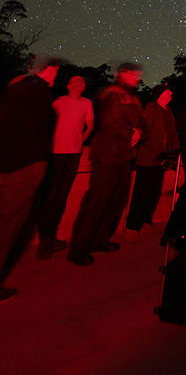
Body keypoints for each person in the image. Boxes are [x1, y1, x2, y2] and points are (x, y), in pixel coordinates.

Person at [67, 63, 146, 266]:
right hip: (108, 154)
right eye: (134, 74)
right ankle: (79, 248)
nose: (137, 77)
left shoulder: (133, 96)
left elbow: (141, 120)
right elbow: (111, 121)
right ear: (123, 74)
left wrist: (139, 133)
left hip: (124, 155)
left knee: (116, 201)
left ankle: (99, 239)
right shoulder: (112, 93)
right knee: (96, 202)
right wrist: (132, 134)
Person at [0, 55, 59, 304]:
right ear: (47, 71)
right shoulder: (40, 92)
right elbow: (38, 127)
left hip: (7, 163)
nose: (56, 76)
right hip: (25, 166)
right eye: (55, 71)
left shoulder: (15, 88)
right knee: (8, 224)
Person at [36, 75, 95, 260]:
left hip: (73, 155)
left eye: (83, 81)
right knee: (50, 196)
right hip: (55, 154)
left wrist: (80, 141)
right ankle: (45, 239)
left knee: (62, 197)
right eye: (77, 80)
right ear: (70, 86)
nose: (81, 82)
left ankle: (51, 237)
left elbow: (90, 125)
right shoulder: (59, 103)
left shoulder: (87, 103)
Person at [124, 84, 178, 242]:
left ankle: (144, 219)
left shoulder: (169, 110)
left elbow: (172, 132)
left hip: (160, 160)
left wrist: (174, 150)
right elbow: (145, 132)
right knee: (141, 193)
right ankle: (131, 226)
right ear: (161, 94)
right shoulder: (151, 109)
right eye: (168, 91)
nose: (171, 92)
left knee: (154, 192)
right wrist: (156, 151)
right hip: (148, 159)